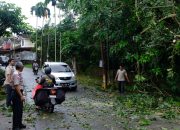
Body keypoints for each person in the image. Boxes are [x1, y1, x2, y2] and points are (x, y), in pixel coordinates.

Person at [11, 62, 26, 130]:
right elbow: (16, 86)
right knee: (16, 110)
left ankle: (19, 124)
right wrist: (21, 96)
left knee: (20, 110)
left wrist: (23, 94)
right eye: (23, 66)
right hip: (16, 93)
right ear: (20, 67)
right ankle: (15, 126)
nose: (23, 67)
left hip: (19, 92)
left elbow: (20, 85)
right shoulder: (16, 74)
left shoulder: (19, 73)